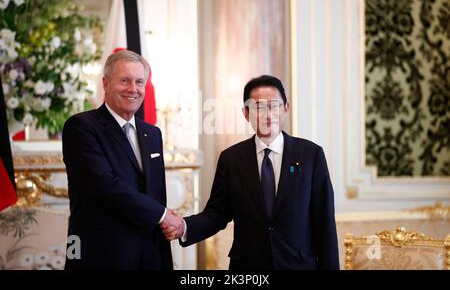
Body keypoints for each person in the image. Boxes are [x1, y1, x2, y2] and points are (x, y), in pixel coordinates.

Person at [162, 75, 339, 270]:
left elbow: (325, 224)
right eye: (258, 107)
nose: (267, 115)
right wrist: (183, 226)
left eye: (274, 105)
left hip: (298, 265)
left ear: (286, 108)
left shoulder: (311, 155)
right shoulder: (231, 159)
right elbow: (216, 215)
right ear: (246, 113)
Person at [63, 50, 182, 269]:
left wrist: (167, 220)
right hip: (102, 256)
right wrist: (163, 215)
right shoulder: (81, 127)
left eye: (139, 82)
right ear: (106, 84)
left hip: (151, 254)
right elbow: (104, 186)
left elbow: (156, 194)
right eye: (124, 81)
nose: (133, 89)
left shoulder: (152, 133)